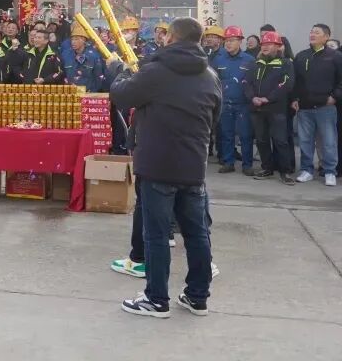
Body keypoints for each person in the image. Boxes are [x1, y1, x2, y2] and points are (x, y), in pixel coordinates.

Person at [109, 17, 221, 319]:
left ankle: (156, 299)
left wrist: (118, 70)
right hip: (193, 165)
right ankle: (198, 296)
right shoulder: (210, 75)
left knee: (156, 235)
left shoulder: (156, 71)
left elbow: (122, 95)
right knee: (197, 234)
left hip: (157, 164)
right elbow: (215, 117)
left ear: (170, 38)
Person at [292, 23, 342, 185]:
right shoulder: (301, 56)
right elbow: (295, 80)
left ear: (326, 37)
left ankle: (330, 171)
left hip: (326, 107)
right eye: (311, 32)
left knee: (329, 141)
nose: (312, 34)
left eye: (317, 32)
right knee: (305, 141)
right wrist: (295, 98)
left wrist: (334, 97)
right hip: (304, 107)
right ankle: (307, 170)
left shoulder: (335, 56)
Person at [243, 31, 296, 185]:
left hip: (276, 109)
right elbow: (246, 82)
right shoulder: (255, 63)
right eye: (264, 44)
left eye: (270, 44)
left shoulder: (285, 63)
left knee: (280, 141)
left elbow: (286, 84)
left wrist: (268, 98)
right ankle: (267, 168)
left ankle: (285, 171)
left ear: (278, 47)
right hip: (257, 109)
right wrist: (253, 97)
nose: (265, 47)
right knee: (261, 140)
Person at [212, 26, 256, 175]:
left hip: (243, 105)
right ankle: (228, 162)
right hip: (225, 104)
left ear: (240, 41)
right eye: (227, 41)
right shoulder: (219, 60)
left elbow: (254, 83)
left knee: (245, 135)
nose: (228, 43)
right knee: (226, 134)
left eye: (232, 40)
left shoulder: (249, 60)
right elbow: (214, 81)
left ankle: (247, 165)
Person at [61, 23, 103, 92]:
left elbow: (98, 77)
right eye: (72, 39)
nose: (73, 42)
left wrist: (92, 92)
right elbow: (62, 74)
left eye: (76, 39)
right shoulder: (66, 55)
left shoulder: (93, 56)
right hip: (70, 92)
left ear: (84, 40)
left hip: (88, 94)